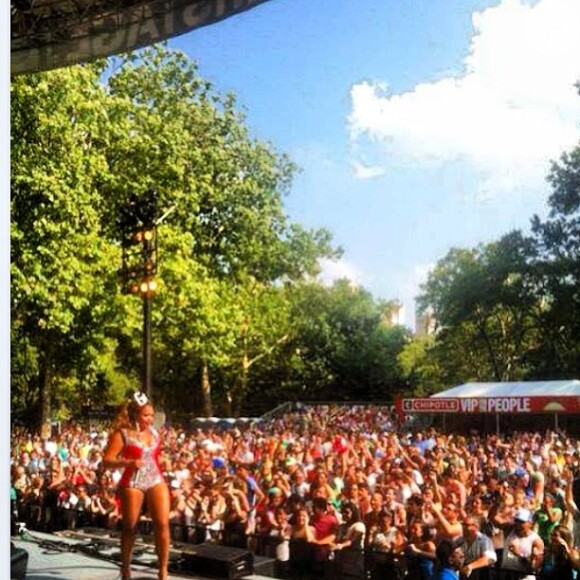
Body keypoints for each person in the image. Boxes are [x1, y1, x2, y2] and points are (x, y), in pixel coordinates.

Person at [103, 392, 169, 580]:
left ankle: (163, 570)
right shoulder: (122, 433)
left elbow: (154, 456)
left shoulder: (155, 432)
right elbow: (107, 461)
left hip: (155, 478)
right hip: (133, 481)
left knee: (162, 523)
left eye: (151, 415)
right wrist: (128, 462)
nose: (149, 419)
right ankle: (126, 568)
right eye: (145, 415)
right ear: (135, 414)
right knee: (130, 527)